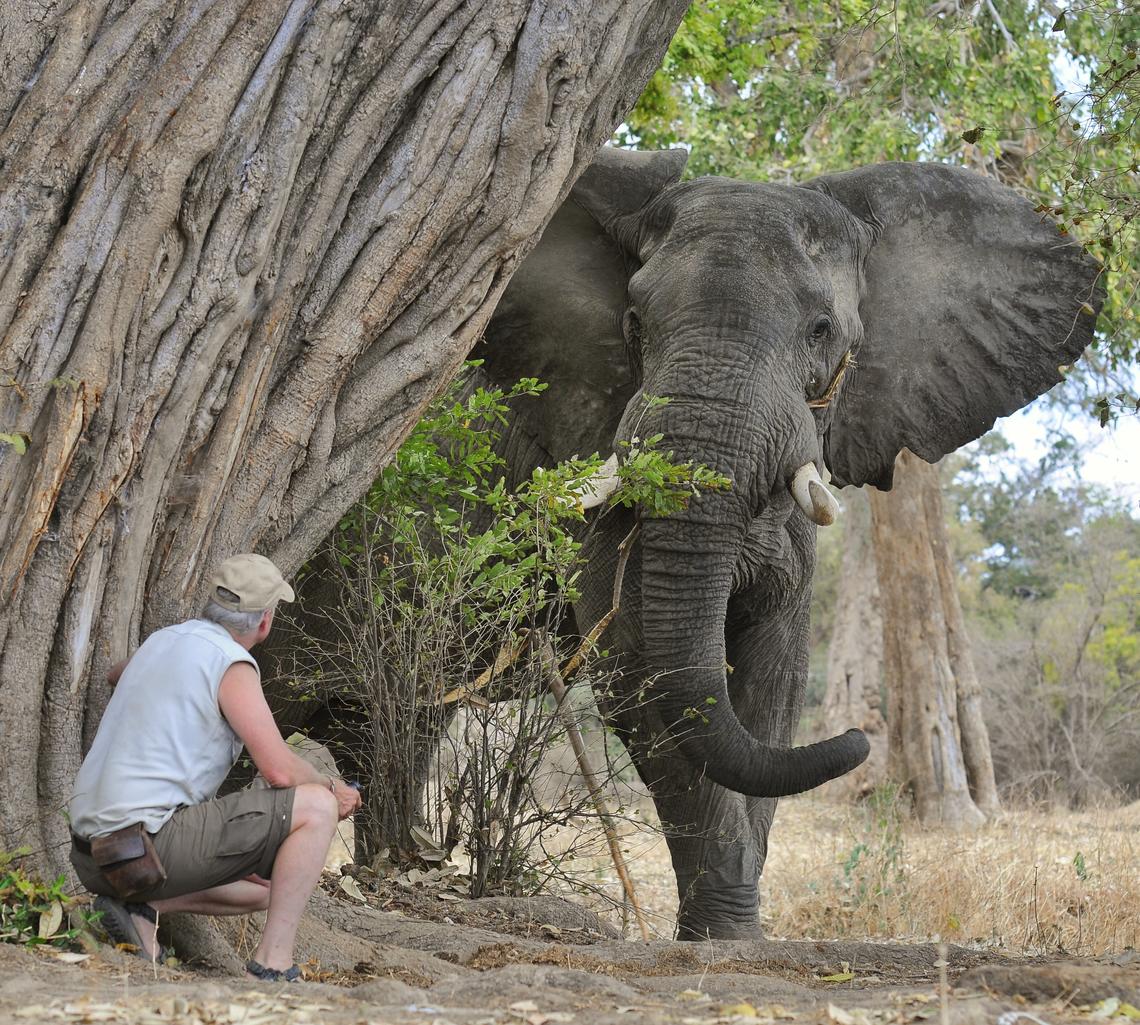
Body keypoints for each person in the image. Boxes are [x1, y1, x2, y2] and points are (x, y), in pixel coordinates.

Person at [69, 553, 361, 981]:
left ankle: (140, 908)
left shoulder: (163, 641)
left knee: (269, 888)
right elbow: (279, 770)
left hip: (92, 857)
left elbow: (117, 675)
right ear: (265, 621)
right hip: (147, 843)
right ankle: (274, 965)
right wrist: (332, 788)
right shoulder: (231, 663)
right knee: (316, 807)